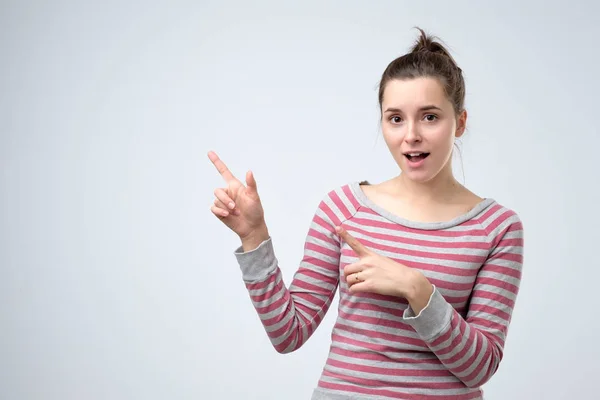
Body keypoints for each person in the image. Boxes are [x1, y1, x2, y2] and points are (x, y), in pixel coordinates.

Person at [207, 27, 524, 400]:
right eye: (395, 119)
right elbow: (288, 333)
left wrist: (416, 288)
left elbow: (480, 367)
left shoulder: (496, 228)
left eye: (429, 117)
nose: (411, 136)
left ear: (461, 121)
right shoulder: (344, 208)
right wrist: (253, 237)